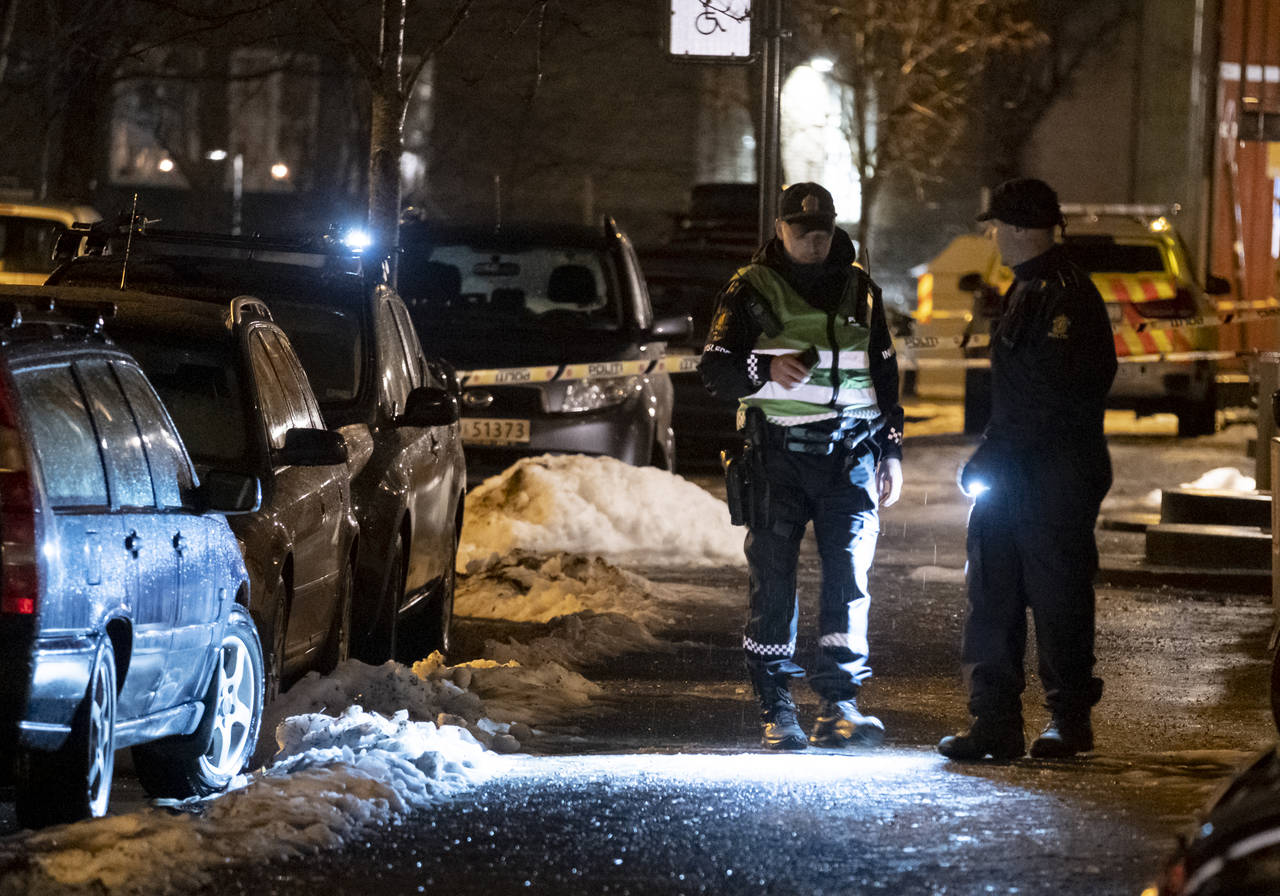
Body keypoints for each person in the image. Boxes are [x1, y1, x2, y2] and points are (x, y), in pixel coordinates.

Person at [698, 181, 904, 751]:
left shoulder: (861, 289)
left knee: (849, 582)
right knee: (775, 584)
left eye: (822, 230)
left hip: (853, 455)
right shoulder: (750, 288)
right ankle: (777, 706)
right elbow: (714, 367)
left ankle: (840, 705)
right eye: (801, 230)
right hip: (776, 458)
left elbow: (884, 375)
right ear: (780, 230)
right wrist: (765, 371)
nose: (814, 241)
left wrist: (893, 449)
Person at [938, 177, 1117, 761]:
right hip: (1015, 473)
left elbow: (1050, 397)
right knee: (992, 592)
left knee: (1058, 594)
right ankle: (994, 722)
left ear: (1018, 229)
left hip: (1053, 476)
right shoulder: (1030, 289)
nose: (993, 238)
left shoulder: (1063, 294)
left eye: (997, 228)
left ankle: (1069, 719)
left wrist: (991, 455)